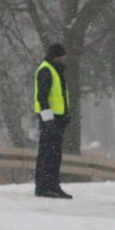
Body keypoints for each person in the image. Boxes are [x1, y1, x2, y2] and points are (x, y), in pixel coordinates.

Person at [33, 42, 72, 198]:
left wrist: (65, 115)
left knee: (54, 154)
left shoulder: (54, 69)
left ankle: (53, 185)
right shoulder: (46, 70)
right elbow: (42, 97)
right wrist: (48, 120)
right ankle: (44, 186)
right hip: (50, 119)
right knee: (48, 153)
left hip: (57, 118)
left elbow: (60, 97)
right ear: (57, 55)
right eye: (61, 56)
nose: (62, 59)